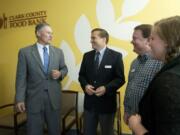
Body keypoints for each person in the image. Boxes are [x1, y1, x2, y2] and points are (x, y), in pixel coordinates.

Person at [128, 16, 180, 135]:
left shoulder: (170, 80)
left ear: (167, 41)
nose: (149, 43)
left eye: (152, 38)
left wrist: (137, 126)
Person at [15, 23, 68, 135]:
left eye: (52, 33)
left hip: (53, 99)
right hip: (34, 99)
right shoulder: (25, 52)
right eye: (48, 33)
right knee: (34, 131)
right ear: (38, 33)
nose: (51, 36)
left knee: (55, 131)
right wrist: (19, 99)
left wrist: (60, 74)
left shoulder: (58, 52)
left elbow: (64, 68)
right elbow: (21, 77)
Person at [79, 28, 125, 135]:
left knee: (107, 132)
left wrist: (106, 88)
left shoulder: (116, 56)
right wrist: (85, 85)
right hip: (89, 104)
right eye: (91, 38)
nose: (91, 40)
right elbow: (81, 76)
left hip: (107, 105)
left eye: (93, 38)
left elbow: (120, 79)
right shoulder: (87, 56)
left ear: (104, 39)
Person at [123, 24, 162, 125]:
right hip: (133, 117)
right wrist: (127, 110)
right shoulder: (134, 63)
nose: (131, 41)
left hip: (150, 120)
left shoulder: (159, 62)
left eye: (135, 38)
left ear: (148, 40)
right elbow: (130, 87)